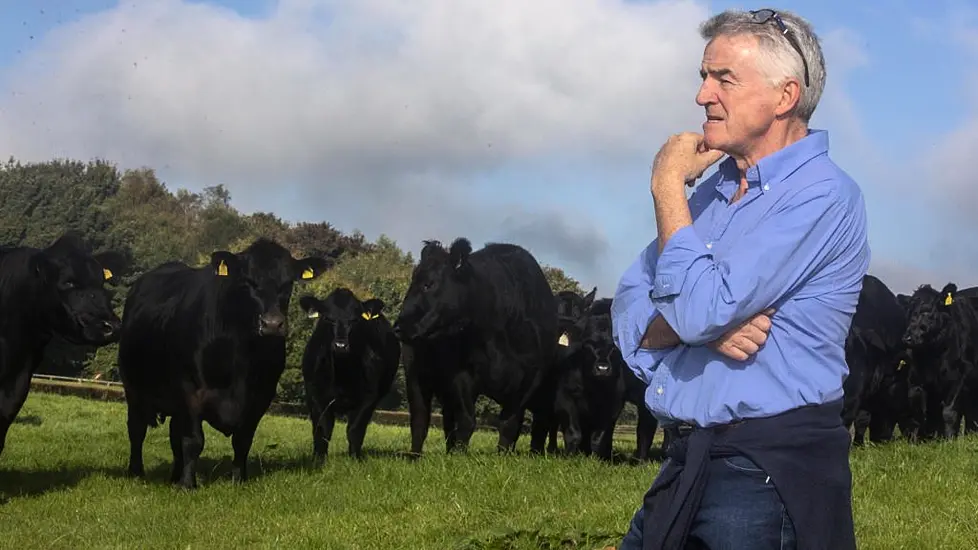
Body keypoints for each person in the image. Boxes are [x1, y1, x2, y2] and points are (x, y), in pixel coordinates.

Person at [611, 8, 868, 550]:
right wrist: (691, 326)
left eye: (724, 78)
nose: (703, 96)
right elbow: (627, 305)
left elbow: (698, 309)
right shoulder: (712, 191)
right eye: (704, 77)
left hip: (765, 473)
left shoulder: (821, 196)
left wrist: (664, 185)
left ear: (784, 96)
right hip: (687, 462)